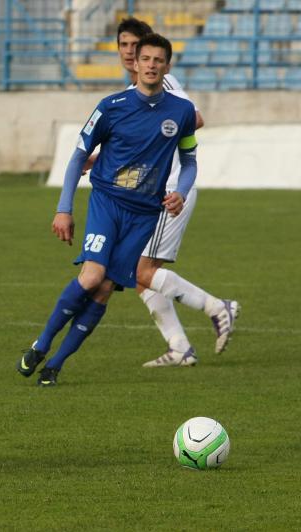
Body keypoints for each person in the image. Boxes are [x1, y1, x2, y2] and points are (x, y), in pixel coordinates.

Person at [15, 33, 197, 387]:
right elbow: (78, 157)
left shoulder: (182, 111)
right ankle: (41, 344)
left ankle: (56, 364)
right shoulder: (111, 106)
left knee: (102, 292)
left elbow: (189, 161)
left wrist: (182, 192)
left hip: (144, 215)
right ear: (136, 63)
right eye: (146, 59)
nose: (151, 65)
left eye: (159, 60)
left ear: (167, 66)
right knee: (92, 276)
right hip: (107, 203)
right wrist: (63, 209)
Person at [117, 18, 239, 367]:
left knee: (141, 270)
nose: (131, 52)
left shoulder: (164, 82)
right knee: (137, 273)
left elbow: (194, 117)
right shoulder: (130, 94)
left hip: (171, 190)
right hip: (147, 193)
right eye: (124, 45)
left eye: (135, 46)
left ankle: (217, 307)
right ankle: (179, 347)